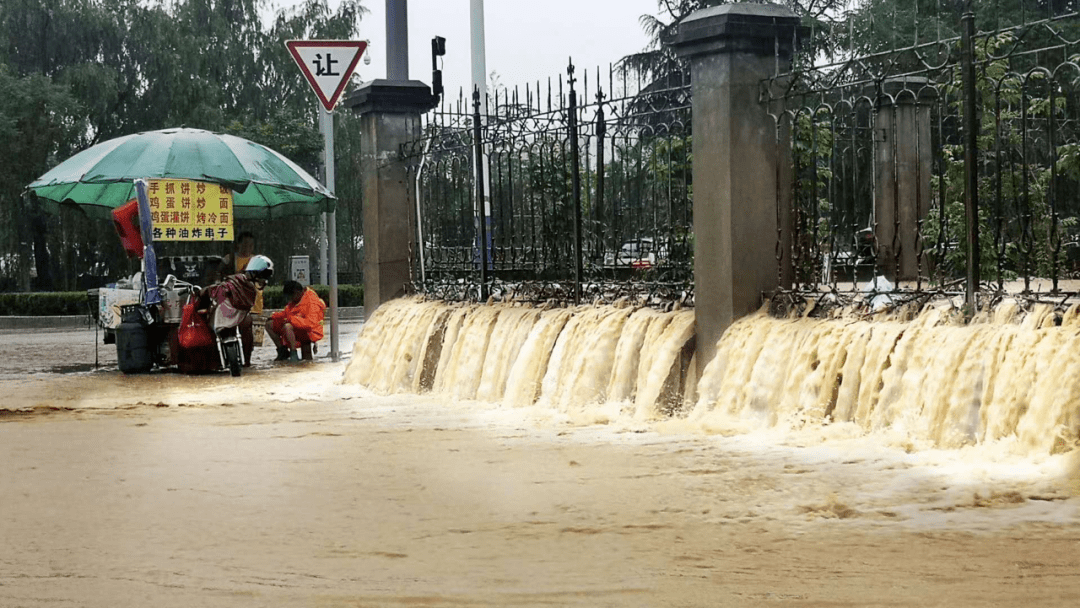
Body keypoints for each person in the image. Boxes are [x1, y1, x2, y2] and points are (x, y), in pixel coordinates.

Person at [222, 232, 264, 364]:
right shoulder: (229, 259)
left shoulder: (257, 261)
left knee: (250, 335)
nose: (248, 247)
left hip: (253, 304)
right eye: (245, 244)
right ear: (238, 245)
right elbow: (221, 277)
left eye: (251, 245)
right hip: (234, 303)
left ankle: (247, 361)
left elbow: (263, 280)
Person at [268, 280, 326, 362]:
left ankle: (293, 354)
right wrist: (273, 316)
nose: (290, 299)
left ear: (297, 292)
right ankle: (283, 352)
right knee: (269, 324)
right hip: (297, 328)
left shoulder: (312, 302)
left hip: (310, 332)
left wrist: (290, 319)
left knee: (287, 326)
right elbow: (286, 313)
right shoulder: (296, 300)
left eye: (290, 296)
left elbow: (310, 324)